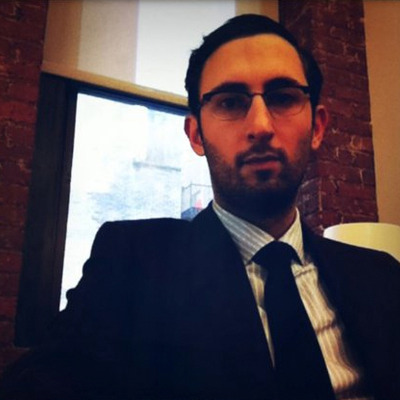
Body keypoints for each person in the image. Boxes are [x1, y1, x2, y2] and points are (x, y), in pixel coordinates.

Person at [1, 13, 399, 400]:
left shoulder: (381, 276)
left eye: (282, 97)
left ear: (317, 127)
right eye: (230, 102)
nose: (260, 125)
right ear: (195, 134)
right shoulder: (130, 263)